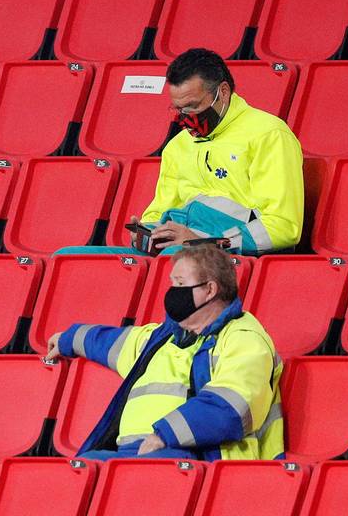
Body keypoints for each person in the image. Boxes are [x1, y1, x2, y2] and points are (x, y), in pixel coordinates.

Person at [45, 244, 284, 460]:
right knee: (85, 467)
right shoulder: (162, 337)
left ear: (210, 289)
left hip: (195, 456)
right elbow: (111, 342)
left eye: (180, 283)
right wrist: (67, 338)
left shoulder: (244, 336)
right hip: (132, 454)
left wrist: (165, 434)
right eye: (172, 284)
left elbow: (233, 406)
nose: (172, 291)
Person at [64, 48, 304, 256]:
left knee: (175, 255)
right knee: (69, 257)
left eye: (193, 106)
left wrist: (202, 243)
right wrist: (147, 234)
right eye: (179, 109)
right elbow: (159, 211)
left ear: (223, 92)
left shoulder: (269, 134)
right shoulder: (178, 146)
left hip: (229, 255)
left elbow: (283, 227)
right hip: (180, 251)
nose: (186, 117)